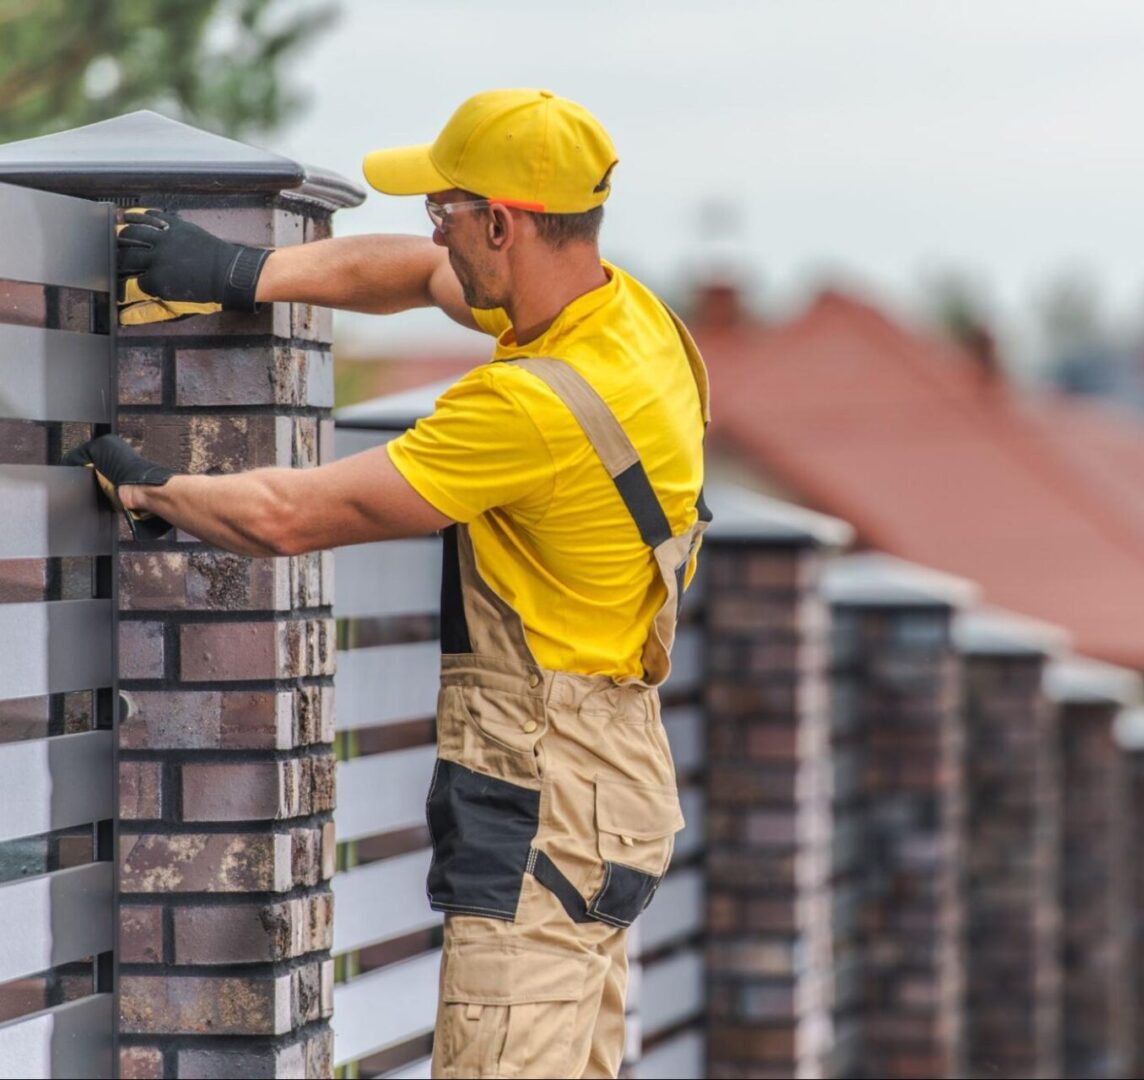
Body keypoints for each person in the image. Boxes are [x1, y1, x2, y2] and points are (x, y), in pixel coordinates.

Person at [66, 88, 708, 1079]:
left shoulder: (527, 409)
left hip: (541, 794)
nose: (432, 231)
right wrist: (243, 271)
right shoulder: (628, 325)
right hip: (610, 784)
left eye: (444, 210)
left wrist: (157, 491)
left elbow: (295, 515)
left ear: (504, 222)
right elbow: (420, 277)